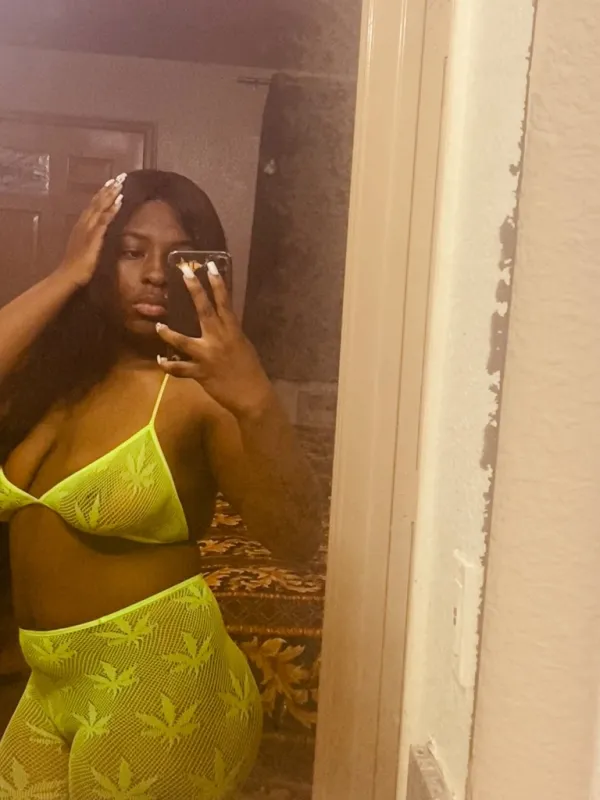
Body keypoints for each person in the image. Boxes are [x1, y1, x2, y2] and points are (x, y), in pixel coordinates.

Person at [0, 170, 322, 798]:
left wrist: (256, 400)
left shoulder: (199, 392)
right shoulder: (55, 380)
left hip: (164, 684)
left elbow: (297, 538)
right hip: (51, 685)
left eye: (177, 258)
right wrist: (65, 275)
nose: (153, 274)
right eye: (129, 252)